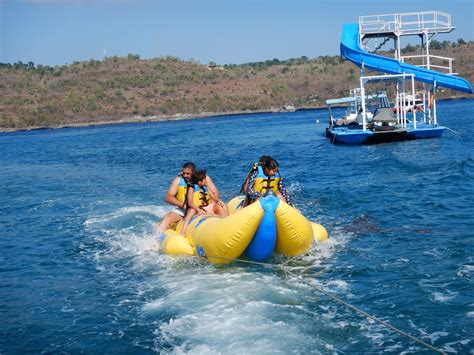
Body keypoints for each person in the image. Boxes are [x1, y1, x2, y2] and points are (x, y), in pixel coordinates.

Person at [180, 169, 228, 236]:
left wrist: (220, 201)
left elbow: (213, 197)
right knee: (192, 211)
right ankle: (183, 231)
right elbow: (190, 203)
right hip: (196, 209)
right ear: (199, 182)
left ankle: (226, 222)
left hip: (207, 208)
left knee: (221, 205)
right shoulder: (192, 187)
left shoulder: (205, 187)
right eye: (205, 179)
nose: (206, 180)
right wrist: (199, 210)